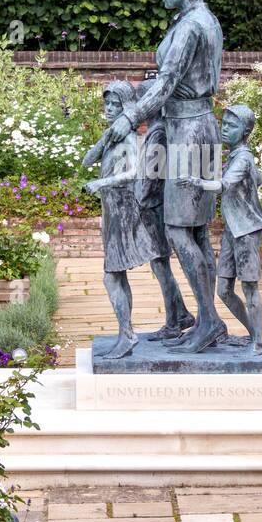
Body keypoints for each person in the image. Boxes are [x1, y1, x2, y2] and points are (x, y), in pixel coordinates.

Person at [103, 0, 227, 354]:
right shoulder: (197, 21)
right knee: (193, 231)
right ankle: (192, 319)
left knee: (179, 228)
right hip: (190, 128)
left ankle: (208, 321)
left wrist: (130, 116)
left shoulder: (193, 25)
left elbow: (168, 83)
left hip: (189, 133)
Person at [180, 104, 262, 356]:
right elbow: (258, 177)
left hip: (247, 232)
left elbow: (225, 184)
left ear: (245, 131)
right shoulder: (238, 157)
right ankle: (253, 334)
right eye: (224, 123)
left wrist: (197, 182)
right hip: (233, 230)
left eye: (232, 126)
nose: (225, 129)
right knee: (223, 291)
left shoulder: (242, 157)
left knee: (249, 287)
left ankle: (260, 343)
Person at [82, 81, 159, 359]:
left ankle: (127, 334)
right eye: (107, 104)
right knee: (114, 275)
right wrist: (104, 138)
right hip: (111, 209)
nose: (110, 109)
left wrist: (101, 183)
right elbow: (86, 161)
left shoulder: (129, 139)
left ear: (126, 107)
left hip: (123, 209)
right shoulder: (114, 135)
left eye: (116, 105)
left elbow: (135, 172)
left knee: (112, 275)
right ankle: (126, 332)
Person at [135, 82, 196, 341]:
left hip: (154, 207)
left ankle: (174, 322)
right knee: (160, 265)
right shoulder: (156, 130)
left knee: (161, 265)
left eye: (142, 100)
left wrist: (137, 200)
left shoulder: (158, 132)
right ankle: (180, 313)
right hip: (154, 205)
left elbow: (151, 177)